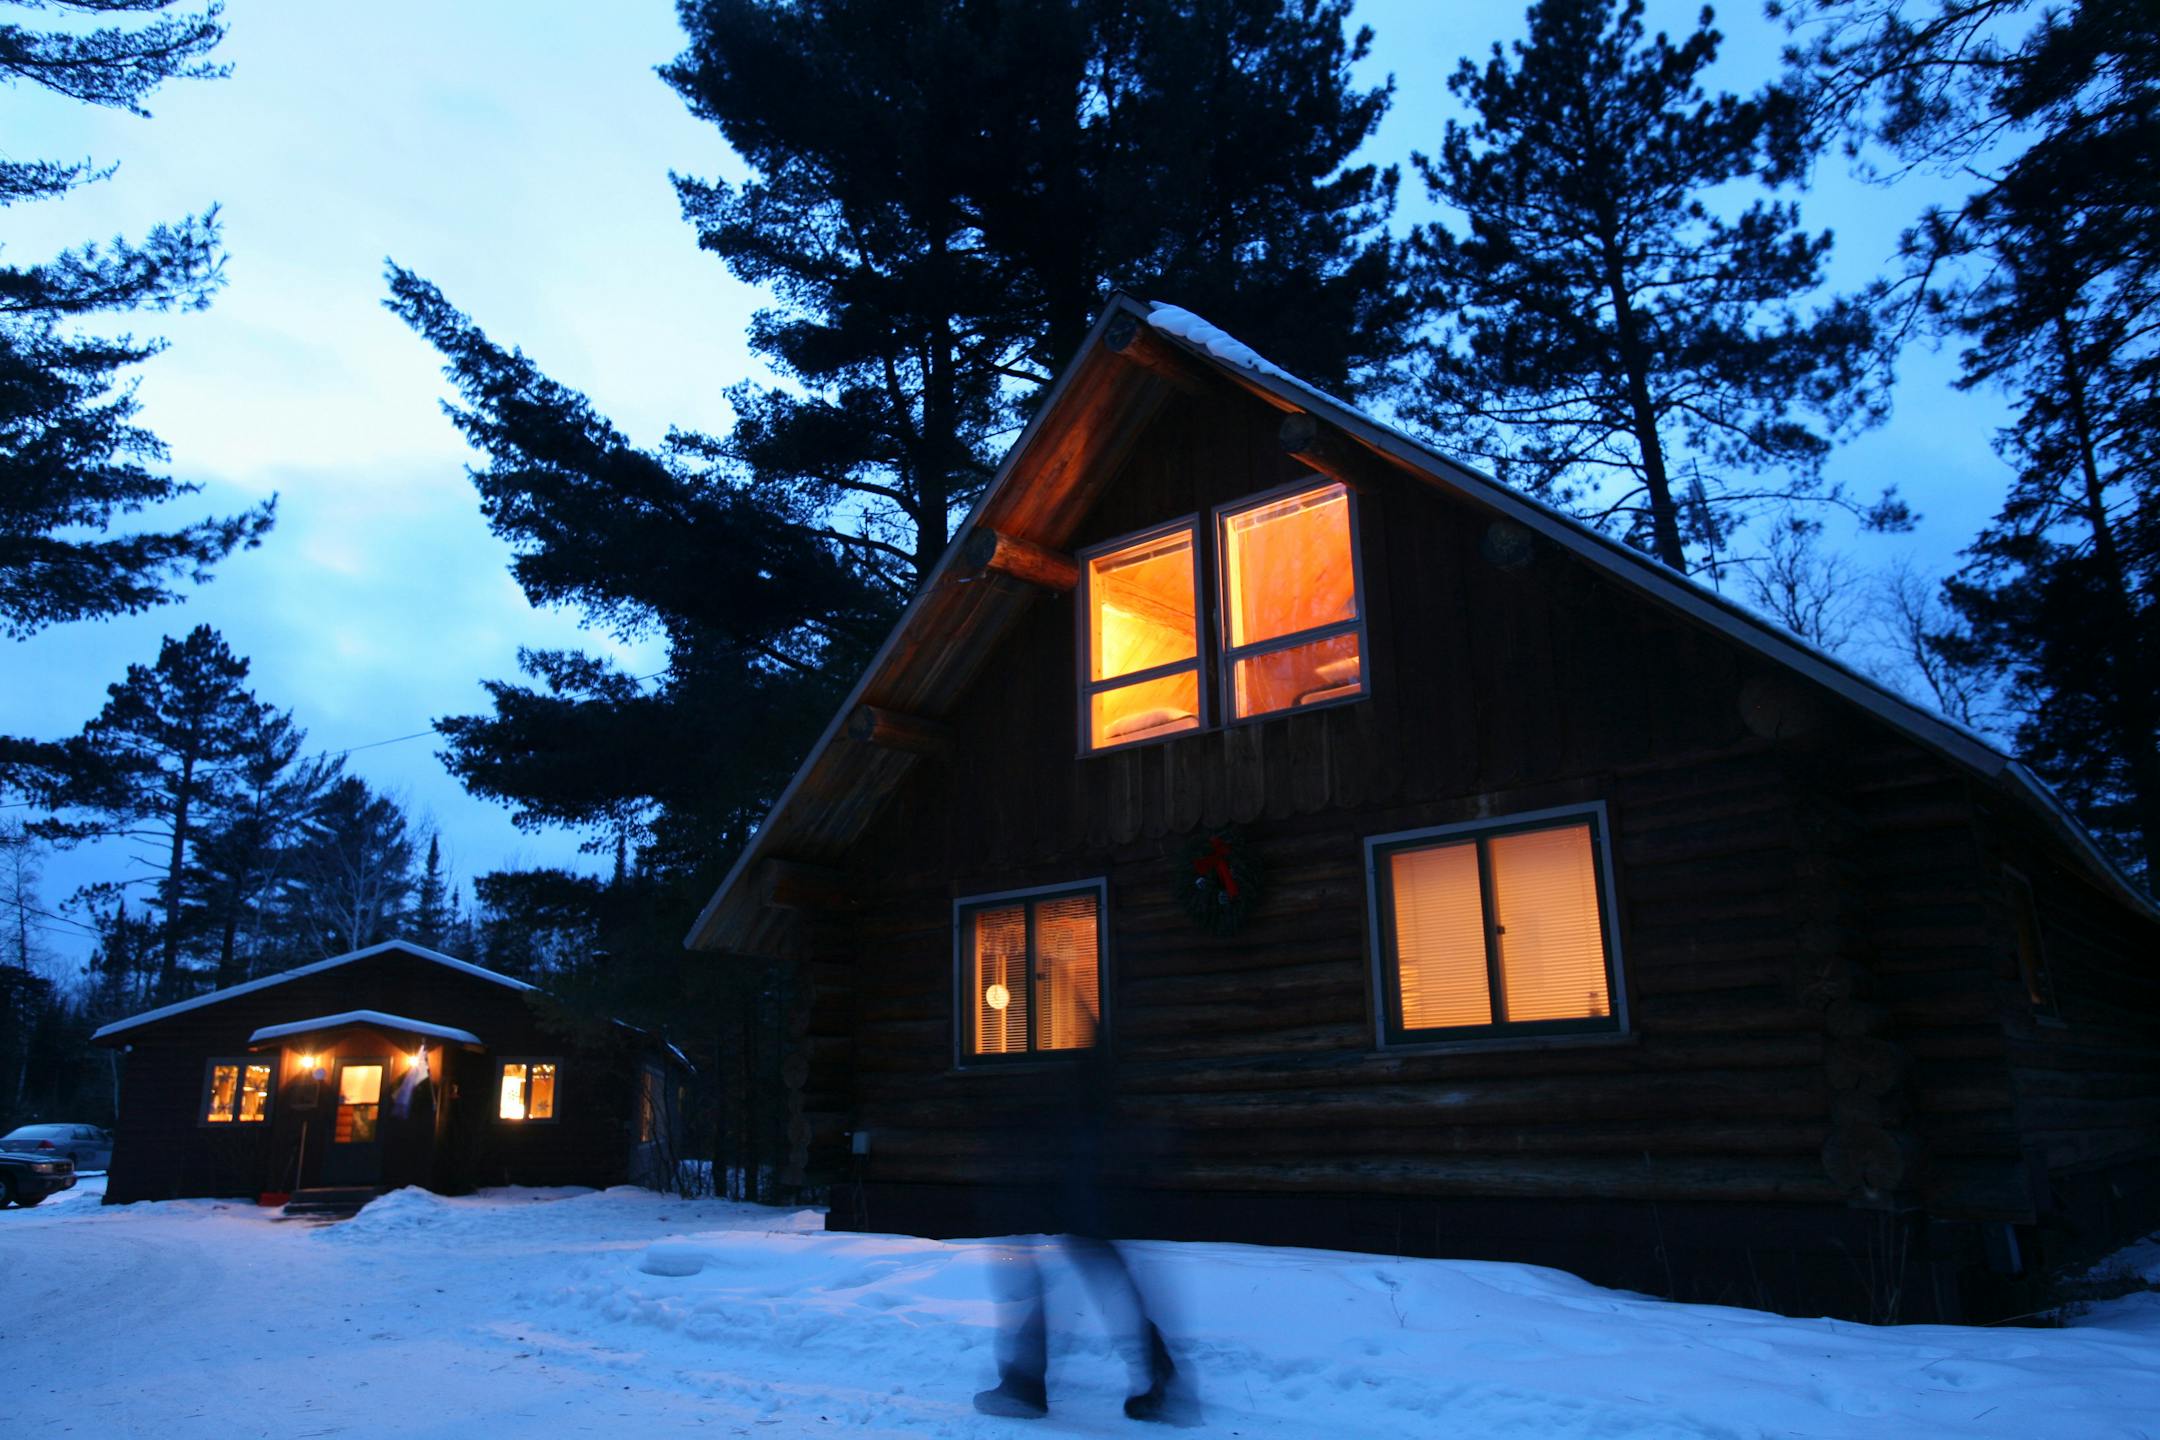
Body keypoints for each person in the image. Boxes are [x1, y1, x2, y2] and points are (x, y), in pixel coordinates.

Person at [972, 1043, 1198, 1425]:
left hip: (1073, 1178)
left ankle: (1024, 1387)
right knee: (1097, 1274)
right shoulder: (1089, 1048)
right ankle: (1162, 1379)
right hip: (1087, 1178)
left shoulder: (1060, 1053)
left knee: (1033, 1277)